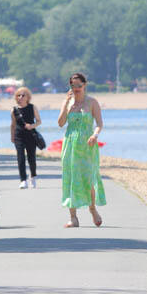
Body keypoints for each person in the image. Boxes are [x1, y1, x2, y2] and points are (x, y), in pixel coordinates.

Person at [57, 72, 105, 228]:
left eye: (79, 85)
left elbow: (99, 123)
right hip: (70, 143)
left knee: (88, 178)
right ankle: (73, 217)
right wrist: (65, 104)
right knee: (70, 178)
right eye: (73, 85)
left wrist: (95, 135)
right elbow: (61, 123)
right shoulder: (68, 103)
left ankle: (92, 209)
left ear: (85, 85)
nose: (76, 88)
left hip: (87, 144)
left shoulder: (92, 102)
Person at [10, 86, 41, 189]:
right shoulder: (14, 110)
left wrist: (31, 126)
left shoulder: (32, 107)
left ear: (28, 97)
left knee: (31, 158)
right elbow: (13, 124)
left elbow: (39, 121)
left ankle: (33, 176)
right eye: (18, 95)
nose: (21, 97)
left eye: (23, 95)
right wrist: (12, 136)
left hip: (30, 135)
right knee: (20, 158)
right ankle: (23, 180)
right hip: (19, 136)